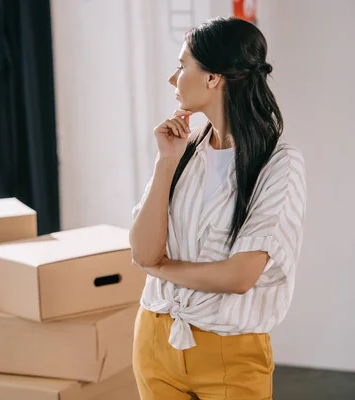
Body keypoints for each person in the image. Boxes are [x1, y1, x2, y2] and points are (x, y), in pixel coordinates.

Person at [130, 16, 306, 400]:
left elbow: (240, 276)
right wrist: (165, 163)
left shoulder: (279, 164)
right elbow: (142, 251)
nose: (173, 78)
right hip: (155, 339)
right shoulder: (183, 149)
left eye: (182, 65)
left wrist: (161, 268)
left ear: (213, 78)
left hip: (230, 350)